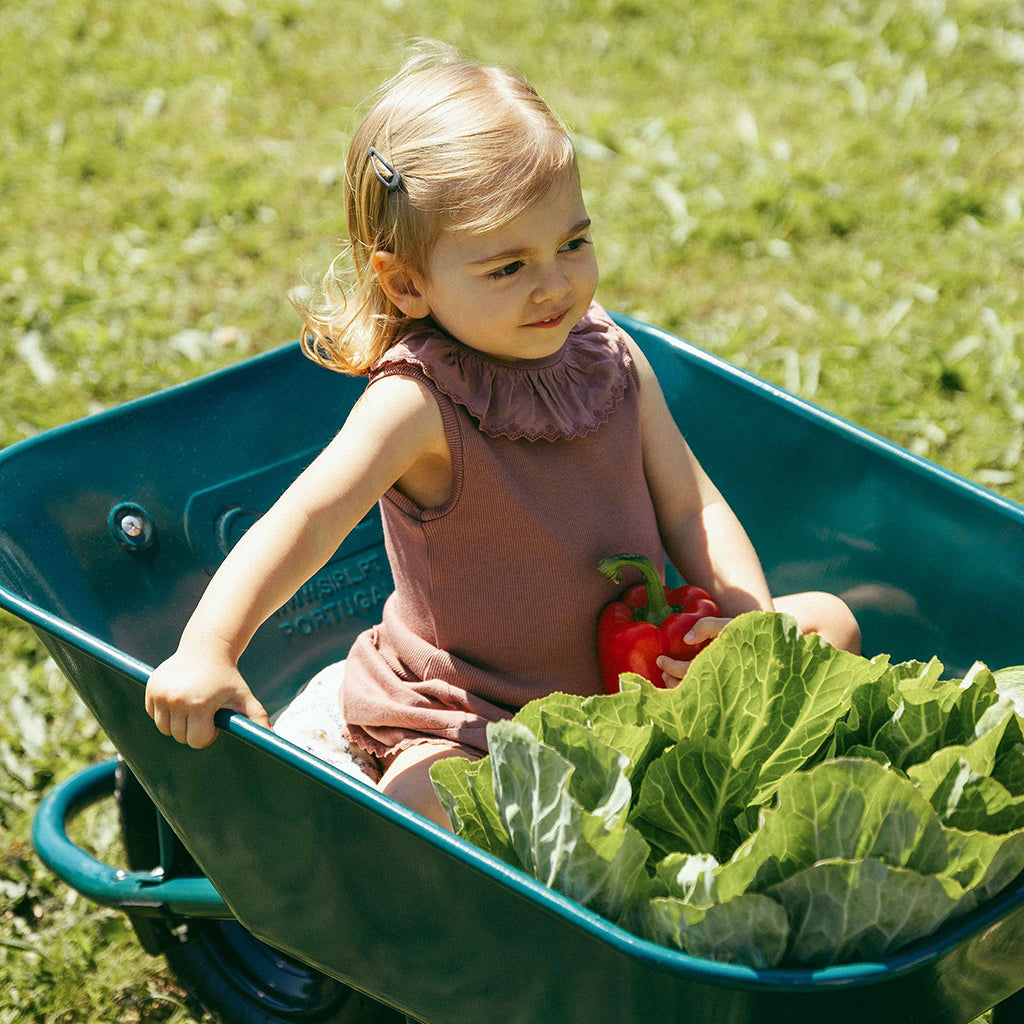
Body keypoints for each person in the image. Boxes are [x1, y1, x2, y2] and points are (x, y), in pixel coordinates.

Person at [145, 43, 860, 828]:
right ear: (407, 283)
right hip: (477, 713)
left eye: (573, 244)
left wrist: (744, 619)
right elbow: (305, 519)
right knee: (433, 801)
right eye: (507, 267)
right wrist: (208, 646)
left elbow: (692, 507)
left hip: (635, 678)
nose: (554, 285)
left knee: (827, 620)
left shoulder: (610, 356)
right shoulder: (418, 404)